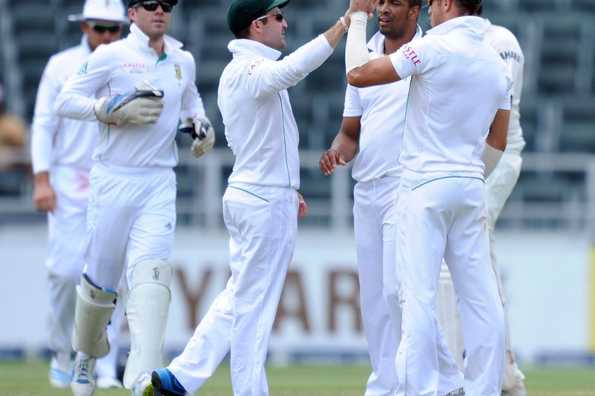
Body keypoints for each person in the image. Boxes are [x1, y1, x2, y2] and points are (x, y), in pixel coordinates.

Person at [147, 1, 374, 395]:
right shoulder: (246, 71)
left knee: (241, 296)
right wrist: (345, 21)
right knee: (255, 309)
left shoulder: (248, 71)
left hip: (264, 193)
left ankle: (181, 375)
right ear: (257, 26)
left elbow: (264, 141)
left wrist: (288, 188)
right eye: (277, 17)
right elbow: (294, 69)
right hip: (261, 200)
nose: (285, 23)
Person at [345, 0, 511, 394]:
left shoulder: (433, 46)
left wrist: (356, 19)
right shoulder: (495, 61)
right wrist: (469, 173)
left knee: (415, 297)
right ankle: (483, 389)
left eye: (434, 4)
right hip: (470, 186)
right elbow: (499, 140)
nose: (431, 12)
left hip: (423, 187)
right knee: (482, 298)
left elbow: (358, 73)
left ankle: (421, 389)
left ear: (448, 4)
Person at [54, 0, 214, 394]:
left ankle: (143, 375)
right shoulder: (113, 56)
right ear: (133, 14)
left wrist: (201, 124)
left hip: (159, 181)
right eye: (150, 4)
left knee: (151, 277)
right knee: (101, 281)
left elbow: (191, 103)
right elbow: (65, 101)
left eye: (167, 5)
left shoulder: (183, 60)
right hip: (113, 178)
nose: (160, 11)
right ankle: (85, 360)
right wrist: (106, 110)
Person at [319, 1, 438, 395]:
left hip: (404, 186)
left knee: (396, 292)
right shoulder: (364, 53)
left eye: (395, 3)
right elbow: (350, 132)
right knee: (374, 302)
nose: (384, 9)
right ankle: (385, 385)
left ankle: (418, 384)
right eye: (381, 1)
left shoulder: (428, 53)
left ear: (415, 10)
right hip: (366, 191)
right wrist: (338, 151)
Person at [30, 0, 128, 389]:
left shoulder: (129, 62)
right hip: (69, 180)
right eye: (99, 28)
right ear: (85, 26)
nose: (106, 37)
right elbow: (42, 125)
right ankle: (62, 349)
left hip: (114, 178)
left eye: (113, 29)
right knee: (64, 272)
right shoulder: (60, 65)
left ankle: (103, 363)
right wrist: (42, 178)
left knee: (112, 279)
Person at [436, 5, 528, 396]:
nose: (429, 10)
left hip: (496, 156)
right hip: (466, 161)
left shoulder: (500, 41)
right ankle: (503, 375)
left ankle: (466, 374)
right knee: (476, 261)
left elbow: (497, 113)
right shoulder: (443, 42)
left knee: (461, 261)